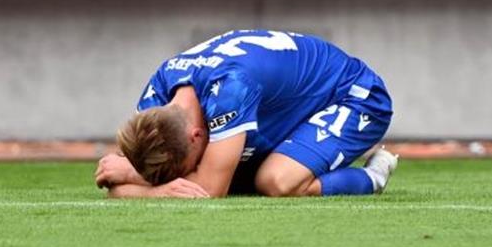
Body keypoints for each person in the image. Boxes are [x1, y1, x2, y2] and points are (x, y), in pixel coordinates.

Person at [95, 29, 398, 198]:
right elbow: (114, 182)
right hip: (287, 106)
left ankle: (372, 177)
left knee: (275, 182)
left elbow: (209, 190)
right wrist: (153, 184)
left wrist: (138, 183)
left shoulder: (231, 89)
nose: (180, 176)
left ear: (196, 135)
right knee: (236, 173)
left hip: (353, 96)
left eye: (188, 164)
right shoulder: (158, 93)